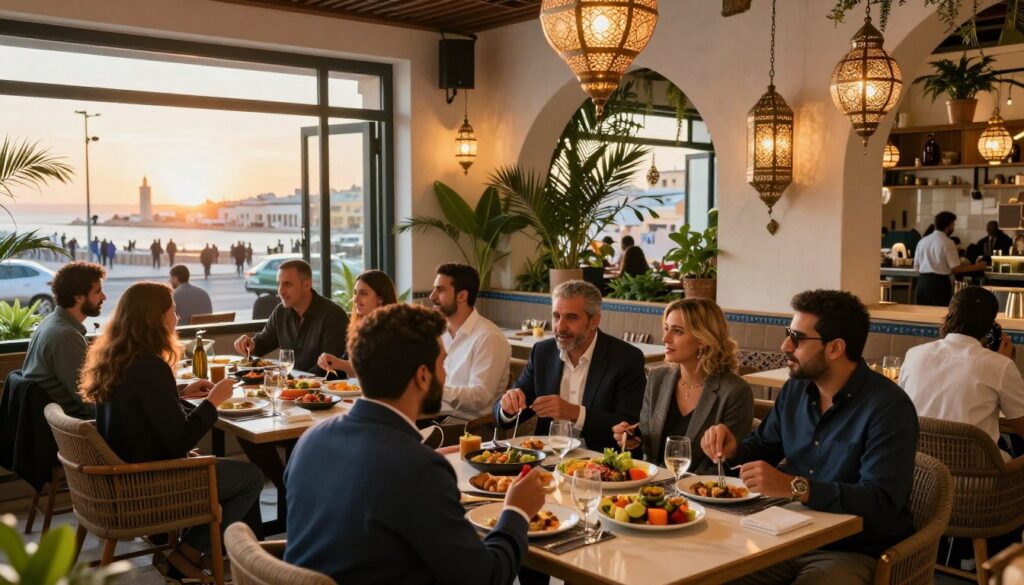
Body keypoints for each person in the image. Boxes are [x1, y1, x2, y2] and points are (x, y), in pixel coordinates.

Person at [284, 303, 545, 583]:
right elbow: (486, 577)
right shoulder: (417, 468)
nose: (445, 376)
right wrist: (516, 510)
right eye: (443, 364)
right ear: (422, 376)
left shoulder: (310, 441)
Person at [701, 289, 918, 585]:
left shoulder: (888, 407)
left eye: (797, 338)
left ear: (835, 348)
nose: (785, 345)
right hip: (783, 535)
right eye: (788, 333)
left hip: (852, 549)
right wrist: (733, 450)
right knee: (708, 573)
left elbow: (880, 500)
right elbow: (765, 445)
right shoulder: (796, 390)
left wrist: (796, 487)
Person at [79, 283, 263, 581]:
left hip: (123, 472)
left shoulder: (116, 358)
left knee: (231, 473)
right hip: (150, 480)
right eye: (173, 311)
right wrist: (214, 401)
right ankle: (187, 556)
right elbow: (180, 441)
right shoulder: (151, 366)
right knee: (250, 478)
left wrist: (179, 391)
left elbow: (141, 406)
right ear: (157, 318)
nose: (177, 317)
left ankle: (233, 553)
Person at [494, 280, 645, 451]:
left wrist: (574, 413)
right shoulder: (543, 353)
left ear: (594, 321)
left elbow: (629, 427)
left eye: (572, 317)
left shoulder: (626, 358)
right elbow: (506, 418)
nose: (561, 327)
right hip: (548, 460)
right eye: (556, 316)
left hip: (600, 464)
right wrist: (507, 407)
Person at [612, 298, 752, 474]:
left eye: (677, 331)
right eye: (666, 328)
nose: (665, 338)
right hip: (654, 486)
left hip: (703, 492)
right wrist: (632, 438)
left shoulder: (735, 391)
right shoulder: (657, 378)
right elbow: (648, 452)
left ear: (703, 339)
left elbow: (730, 462)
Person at [900, 286, 1024, 451]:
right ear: (991, 326)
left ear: (949, 316)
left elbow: (901, 410)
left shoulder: (913, 355)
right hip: (978, 473)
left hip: (922, 468)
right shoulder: (999, 366)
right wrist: (1002, 361)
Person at [423, 263, 511, 423]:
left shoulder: (489, 337)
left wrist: (434, 390)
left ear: (462, 296)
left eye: (440, 290)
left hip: (466, 427)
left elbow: (480, 397)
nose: (432, 296)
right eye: (434, 289)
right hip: (432, 417)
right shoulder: (437, 332)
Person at [233, 259, 349, 375]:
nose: (280, 291)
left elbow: (328, 365)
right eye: (279, 284)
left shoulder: (334, 316)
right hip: (292, 387)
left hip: (328, 389)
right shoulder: (281, 312)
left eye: (287, 284)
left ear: (306, 285)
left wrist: (291, 381)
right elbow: (263, 344)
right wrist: (249, 344)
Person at [22, 261, 106, 420]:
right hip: (74, 428)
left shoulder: (51, 322)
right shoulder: (66, 336)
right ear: (79, 298)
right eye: (98, 291)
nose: (104, 297)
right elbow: (85, 400)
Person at [317, 270, 399, 378]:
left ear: (381, 298)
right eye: (355, 293)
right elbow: (351, 374)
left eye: (363, 293)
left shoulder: (394, 330)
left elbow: (376, 370)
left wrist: (339, 363)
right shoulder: (359, 327)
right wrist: (330, 361)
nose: (355, 299)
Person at [913, 211, 984, 306]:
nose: (953, 228)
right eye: (953, 224)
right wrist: (978, 266)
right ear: (949, 225)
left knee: (922, 315)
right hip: (939, 285)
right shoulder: (948, 242)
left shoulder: (922, 241)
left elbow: (916, 267)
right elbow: (955, 269)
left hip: (922, 283)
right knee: (939, 315)